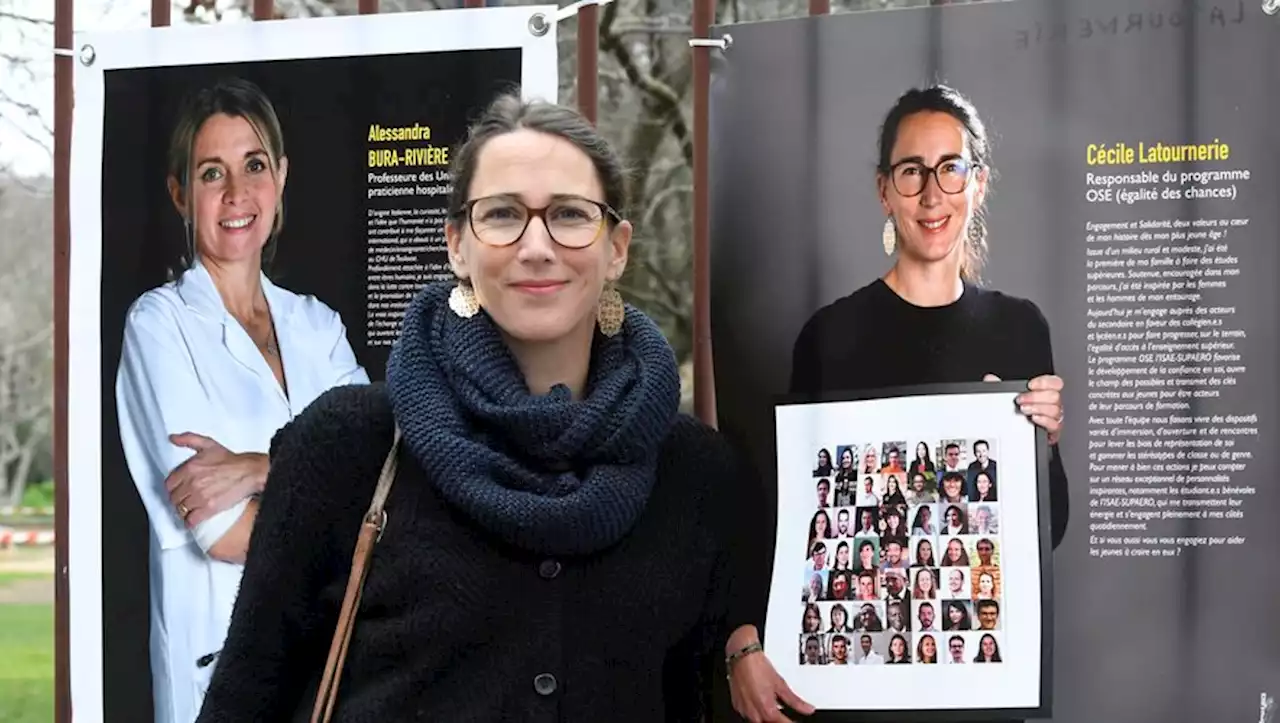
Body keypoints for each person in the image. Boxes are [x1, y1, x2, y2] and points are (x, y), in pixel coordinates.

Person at [191, 94, 799, 722]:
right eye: (503, 215)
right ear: (457, 246)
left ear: (616, 247)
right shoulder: (349, 446)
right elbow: (245, 700)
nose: (536, 246)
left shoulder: (696, 475)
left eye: (568, 214)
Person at [736, 83, 1070, 721]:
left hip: (973, 683)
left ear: (977, 182)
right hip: (857, 683)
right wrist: (743, 638)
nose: (932, 193)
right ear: (884, 189)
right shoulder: (830, 334)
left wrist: (1039, 449)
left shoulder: (1021, 328)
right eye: (912, 172)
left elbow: (1045, 535)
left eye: (951, 168)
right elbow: (788, 522)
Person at [115, 77, 368, 723]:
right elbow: (221, 530)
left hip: (334, 669)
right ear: (180, 193)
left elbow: (384, 483)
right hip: (221, 668)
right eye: (210, 173)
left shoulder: (318, 325)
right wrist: (346, 519)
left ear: (280, 177)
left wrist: (260, 467)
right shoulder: (159, 326)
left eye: (254, 165)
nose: (236, 193)